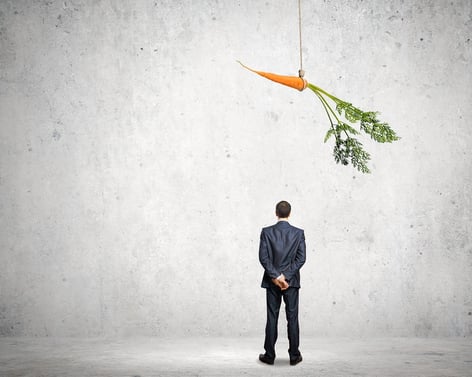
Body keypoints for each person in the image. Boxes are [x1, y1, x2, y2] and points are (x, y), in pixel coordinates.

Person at [258, 200, 306, 366]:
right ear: (290, 213)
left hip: (272, 282)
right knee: (292, 318)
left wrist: (277, 277)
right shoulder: (298, 233)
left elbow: (263, 258)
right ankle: (294, 356)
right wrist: (286, 276)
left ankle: (269, 355)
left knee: (272, 317)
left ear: (276, 213)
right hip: (291, 282)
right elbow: (301, 258)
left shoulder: (266, 232)